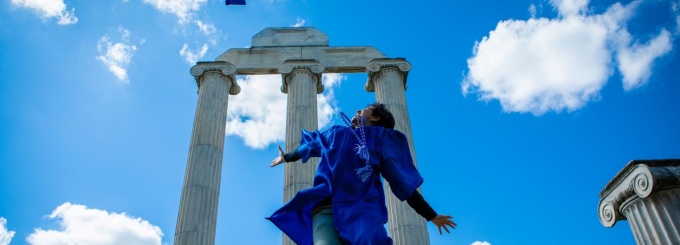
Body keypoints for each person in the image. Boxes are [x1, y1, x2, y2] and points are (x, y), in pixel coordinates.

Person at [268, 102, 456, 245]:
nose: (358, 111)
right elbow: (310, 146)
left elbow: (398, 179)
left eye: (365, 109)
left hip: (363, 209)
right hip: (326, 208)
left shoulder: (380, 139)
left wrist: (430, 215)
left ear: (375, 118)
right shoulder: (335, 133)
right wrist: (287, 157)